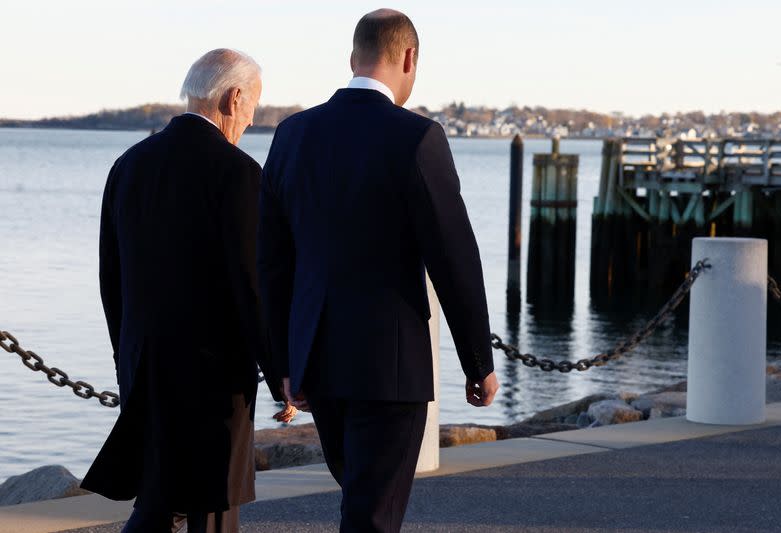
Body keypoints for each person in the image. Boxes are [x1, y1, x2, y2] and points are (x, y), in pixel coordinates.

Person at [258, 9, 499, 533]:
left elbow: (272, 263)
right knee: (373, 518)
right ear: (409, 58)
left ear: (353, 58)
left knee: (361, 507)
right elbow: (455, 257)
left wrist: (284, 363)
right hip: (389, 370)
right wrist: (477, 359)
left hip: (316, 364)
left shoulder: (291, 135)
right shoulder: (417, 137)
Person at [81, 48, 293, 533]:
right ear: (234, 97)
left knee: (157, 501)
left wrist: (126, 357)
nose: (251, 118)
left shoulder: (129, 164)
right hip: (213, 378)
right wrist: (281, 369)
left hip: (145, 364)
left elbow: (110, 277)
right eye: (254, 106)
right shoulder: (238, 173)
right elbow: (251, 284)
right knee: (212, 510)